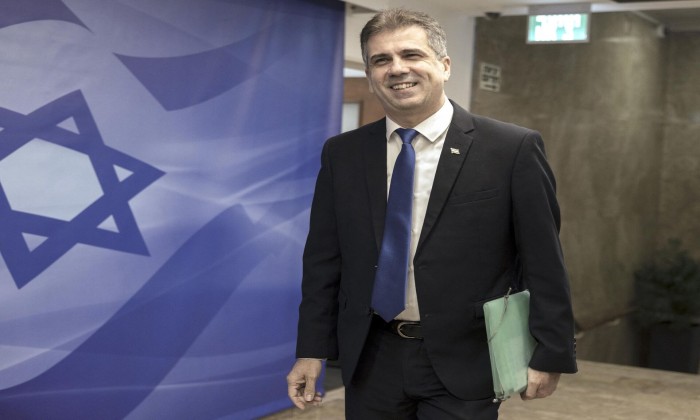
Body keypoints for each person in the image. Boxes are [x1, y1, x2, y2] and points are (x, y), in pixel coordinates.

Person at [287, 8, 577, 419]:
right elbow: (324, 260)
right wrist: (311, 349)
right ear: (370, 75)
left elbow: (544, 260)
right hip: (372, 357)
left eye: (411, 54)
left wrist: (551, 351)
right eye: (381, 60)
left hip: (466, 359)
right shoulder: (344, 153)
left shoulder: (510, 149)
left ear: (444, 65)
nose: (397, 69)